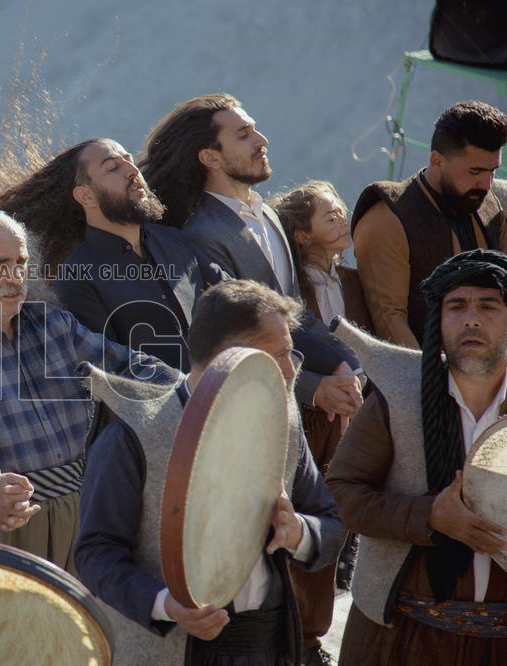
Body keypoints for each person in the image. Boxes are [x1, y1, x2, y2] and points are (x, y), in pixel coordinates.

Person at [75, 280, 343, 665]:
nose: (290, 370)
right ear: (231, 357)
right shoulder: (137, 432)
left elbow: (331, 526)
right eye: (280, 355)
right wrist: (168, 604)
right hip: (171, 649)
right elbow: (95, 553)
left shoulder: (284, 422)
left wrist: (297, 531)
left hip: (267, 645)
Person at [0, 208, 177, 572]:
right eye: (0, 264)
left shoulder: (54, 325)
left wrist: (196, 388)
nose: (15, 276)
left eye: (21, 262)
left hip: (90, 514)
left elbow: (128, 367)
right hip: (6, 524)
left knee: (97, 625)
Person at [140, 93, 364, 428]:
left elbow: (292, 310)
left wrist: (347, 363)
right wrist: (314, 389)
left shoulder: (268, 216)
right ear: (210, 158)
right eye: (243, 135)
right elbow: (237, 337)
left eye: (254, 130)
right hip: (254, 412)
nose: (262, 141)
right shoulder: (203, 234)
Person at [327, 249, 507, 665]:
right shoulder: (399, 393)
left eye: (489, 306)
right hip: (399, 639)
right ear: (438, 322)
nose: (472, 319)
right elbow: (340, 495)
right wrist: (429, 516)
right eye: (456, 306)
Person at [0, 137, 222, 371]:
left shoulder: (176, 240)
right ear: (86, 196)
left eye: (129, 160)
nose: (132, 171)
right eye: (113, 168)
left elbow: (232, 298)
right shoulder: (77, 277)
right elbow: (110, 370)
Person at [270, 180, 373, 663]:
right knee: (307, 514)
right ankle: (302, 634)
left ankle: (315, 630)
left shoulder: (354, 281)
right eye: (328, 215)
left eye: (341, 210)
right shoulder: (293, 293)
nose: (341, 220)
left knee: (339, 520)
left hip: (358, 414)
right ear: (301, 234)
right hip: (311, 418)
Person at [351, 100, 507, 348]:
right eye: (475, 172)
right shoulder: (386, 218)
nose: (486, 185)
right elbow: (390, 322)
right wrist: (429, 382)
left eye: (493, 172)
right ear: (437, 161)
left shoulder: (489, 205)